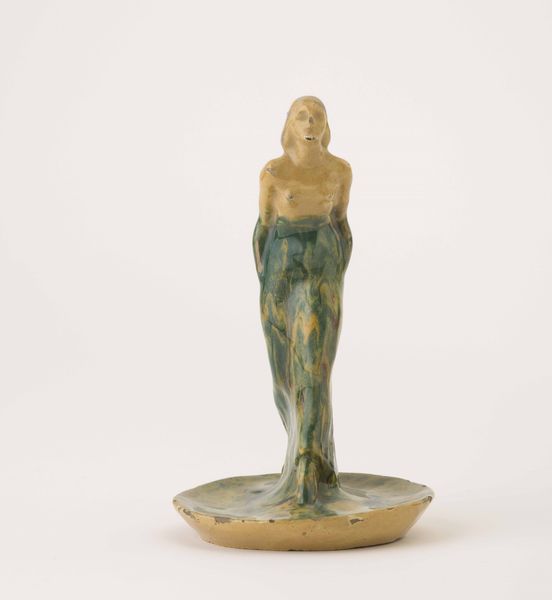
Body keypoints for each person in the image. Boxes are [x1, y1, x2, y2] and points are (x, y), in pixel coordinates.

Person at [252, 96, 353, 505]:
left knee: (313, 364)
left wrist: (332, 275)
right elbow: (263, 228)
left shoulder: (339, 171)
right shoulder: (273, 173)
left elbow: (341, 225)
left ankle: (309, 464)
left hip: (321, 266)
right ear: (290, 125)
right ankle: (304, 458)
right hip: (281, 266)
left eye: (317, 117)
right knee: (283, 372)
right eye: (302, 117)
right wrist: (269, 285)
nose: (310, 124)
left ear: (326, 125)